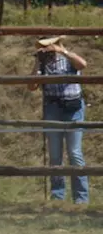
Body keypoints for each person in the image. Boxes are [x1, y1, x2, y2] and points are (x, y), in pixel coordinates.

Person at [36, 36, 90, 204]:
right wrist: (37, 63)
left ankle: (81, 198)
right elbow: (31, 85)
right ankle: (57, 196)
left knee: (75, 153)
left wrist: (63, 52)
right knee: (55, 155)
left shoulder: (68, 58)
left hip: (72, 106)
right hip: (52, 107)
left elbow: (82, 64)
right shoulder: (43, 63)